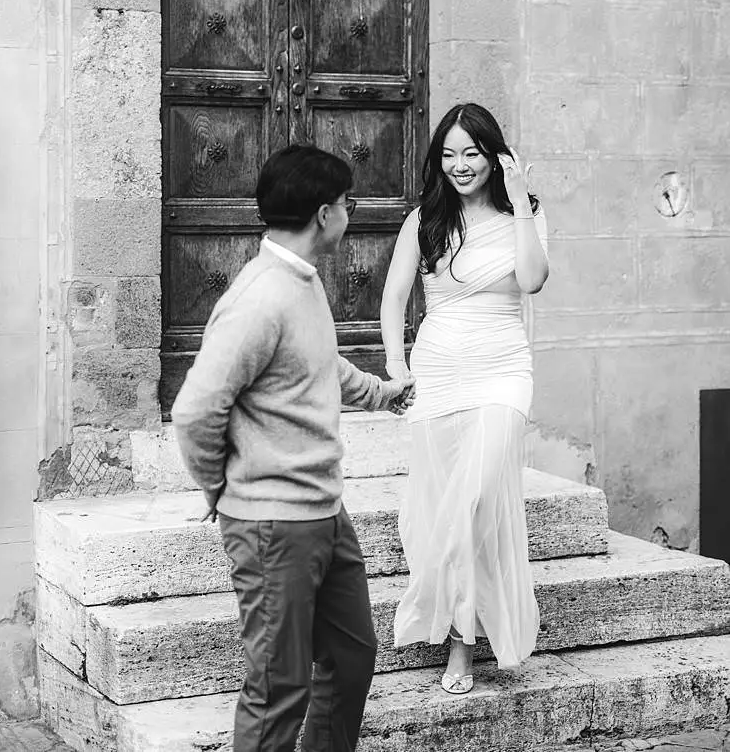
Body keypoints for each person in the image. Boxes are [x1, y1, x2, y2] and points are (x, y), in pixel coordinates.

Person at [173, 145, 414, 752]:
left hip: (326, 514)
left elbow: (320, 365)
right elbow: (196, 409)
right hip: (273, 525)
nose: (350, 214)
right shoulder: (259, 299)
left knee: (353, 658)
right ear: (325, 213)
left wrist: (383, 394)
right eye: (349, 204)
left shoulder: (301, 282)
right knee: (279, 690)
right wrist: (219, 487)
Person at [380, 102, 548, 694]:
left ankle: (461, 644)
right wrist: (397, 369)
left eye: (470, 153)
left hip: (503, 371)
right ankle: (458, 626)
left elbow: (531, 280)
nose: (459, 165)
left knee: (471, 501)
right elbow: (395, 298)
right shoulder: (423, 218)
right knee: (440, 508)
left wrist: (522, 200)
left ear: (493, 154)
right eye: (448, 155)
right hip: (439, 373)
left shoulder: (525, 215)